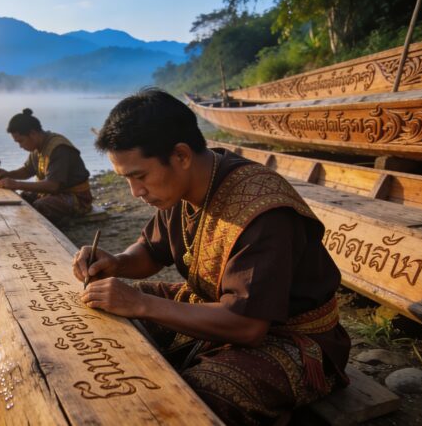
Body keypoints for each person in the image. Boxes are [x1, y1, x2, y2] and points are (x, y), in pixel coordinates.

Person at [72, 89, 350, 426]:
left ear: (181, 155)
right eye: (126, 179)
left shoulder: (262, 211)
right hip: (213, 306)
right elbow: (149, 251)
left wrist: (140, 303)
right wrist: (115, 262)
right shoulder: (181, 188)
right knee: (101, 312)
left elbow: (248, 327)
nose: (136, 192)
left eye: (140, 176)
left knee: (198, 396)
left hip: (293, 337)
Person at [0, 108, 93, 224]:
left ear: (33, 134)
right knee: (24, 198)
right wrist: (7, 174)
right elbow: (27, 171)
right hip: (57, 193)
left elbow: (53, 186)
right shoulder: (37, 147)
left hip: (77, 198)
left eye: (21, 141)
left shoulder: (58, 148)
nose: (20, 146)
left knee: (40, 206)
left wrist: (16, 184)